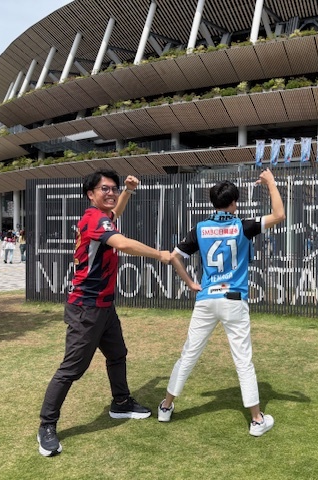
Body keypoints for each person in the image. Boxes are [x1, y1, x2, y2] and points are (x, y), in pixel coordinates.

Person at [37, 170, 171, 457]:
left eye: (114, 188)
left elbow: (114, 214)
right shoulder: (94, 218)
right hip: (86, 307)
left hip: (104, 305)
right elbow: (122, 243)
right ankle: (46, 426)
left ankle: (121, 403)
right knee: (71, 369)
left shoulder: (102, 217)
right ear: (91, 194)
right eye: (104, 189)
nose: (110, 193)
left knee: (117, 354)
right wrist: (160, 254)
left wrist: (128, 192)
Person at [158, 169, 285, 437]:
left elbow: (174, 257)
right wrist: (271, 183)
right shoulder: (243, 226)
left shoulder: (200, 228)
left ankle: (166, 407)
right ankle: (256, 420)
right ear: (233, 202)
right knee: (243, 360)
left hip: (207, 299)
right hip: (234, 300)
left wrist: (190, 283)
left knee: (188, 354)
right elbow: (279, 215)